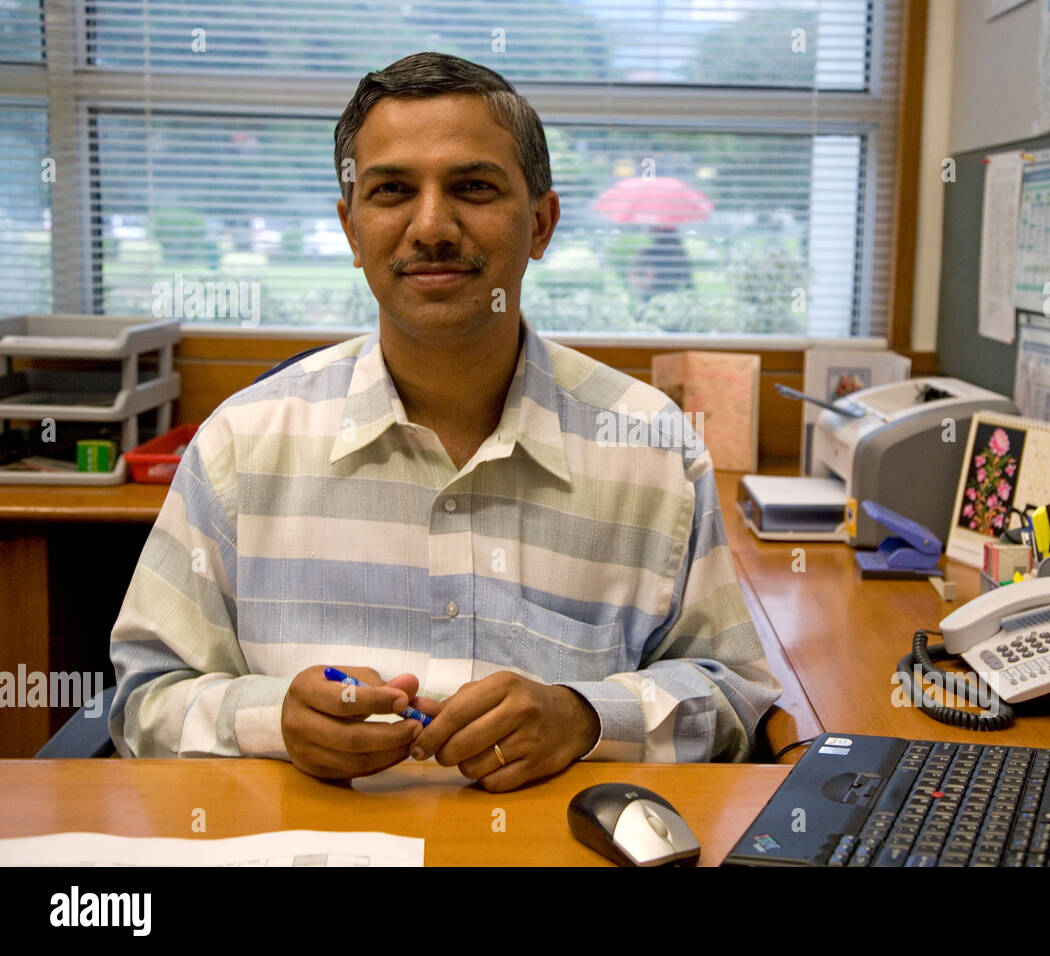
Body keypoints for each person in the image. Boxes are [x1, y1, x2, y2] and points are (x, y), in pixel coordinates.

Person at [108, 52, 781, 792]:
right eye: (393, 190)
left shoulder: (649, 445)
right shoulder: (243, 443)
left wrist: (586, 719)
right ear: (352, 229)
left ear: (541, 224)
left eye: (473, 187)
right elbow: (145, 698)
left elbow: (732, 695)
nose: (431, 226)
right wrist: (274, 721)